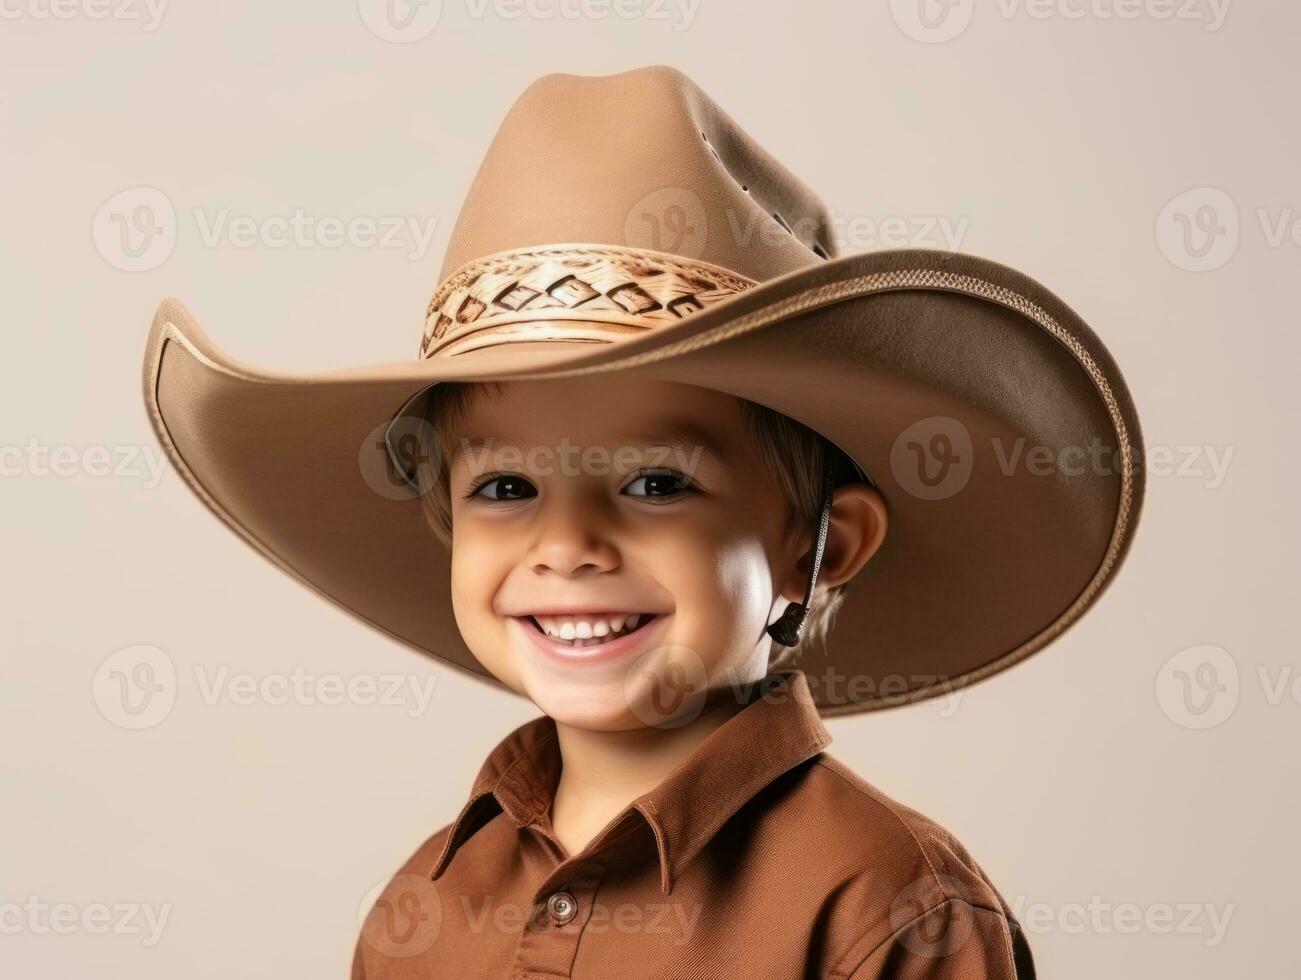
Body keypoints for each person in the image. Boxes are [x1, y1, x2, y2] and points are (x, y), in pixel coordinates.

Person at [142, 65, 1144, 978]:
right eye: (504, 487)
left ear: (820, 545)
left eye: (657, 482)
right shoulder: (425, 906)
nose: (567, 543)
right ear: (446, 518)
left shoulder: (885, 909)